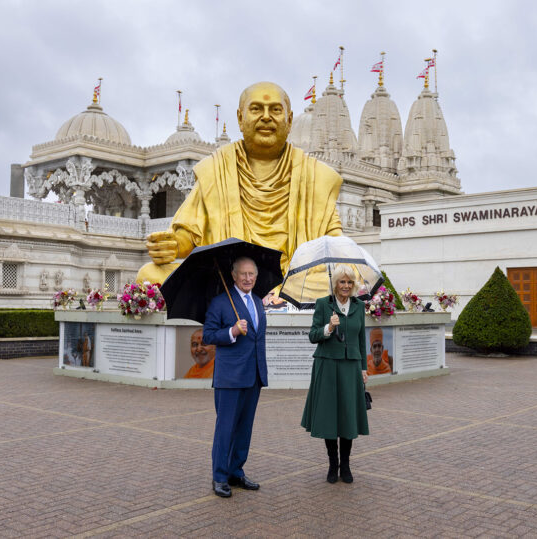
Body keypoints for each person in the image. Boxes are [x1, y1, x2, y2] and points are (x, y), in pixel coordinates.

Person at [136, 81, 343, 285]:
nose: (266, 117)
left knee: (343, 277)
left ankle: (275, 293)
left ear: (289, 121)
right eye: (256, 109)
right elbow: (189, 235)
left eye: (275, 110)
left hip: (294, 279)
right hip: (229, 277)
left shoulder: (316, 176)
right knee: (149, 274)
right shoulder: (215, 169)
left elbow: (336, 242)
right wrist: (172, 245)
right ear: (240, 118)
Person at [202, 257, 268, 498]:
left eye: (252, 274)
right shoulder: (220, 303)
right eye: (243, 274)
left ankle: (235, 471)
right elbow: (208, 336)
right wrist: (231, 331)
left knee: (244, 429)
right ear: (233, 275)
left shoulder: (259, 302)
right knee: (225, 429)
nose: (248, 278)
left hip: (254, 376)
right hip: (229, 378)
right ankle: (219, 477)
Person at [301, 265, 369, 484]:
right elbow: (313, 336)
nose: (346, 286)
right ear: (335, 284)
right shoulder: (323, 305)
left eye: (350, 282)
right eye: (342, 282)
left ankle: (346, 465)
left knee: (348, 415)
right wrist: (329, 328)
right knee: (330, 415)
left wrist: (364, 368)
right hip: (327, 366)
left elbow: (361, 340)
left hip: (351, 367)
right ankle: (332, 465)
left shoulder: (359, 306)